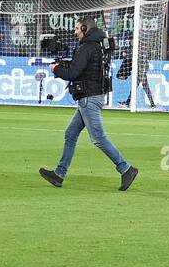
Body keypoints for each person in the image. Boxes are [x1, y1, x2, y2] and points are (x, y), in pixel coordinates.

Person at [39, 18, 138, 191]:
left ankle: (126, 169)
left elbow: (74, 72)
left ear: (85, 28)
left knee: (98, 138)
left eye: (77, 28)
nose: (75, 31)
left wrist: (56, 69)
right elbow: (82, 67)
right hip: (93, 95)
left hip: (88, 98)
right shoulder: (98, 45)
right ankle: (59, 174)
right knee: (70, 134)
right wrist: (64, 65)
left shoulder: (86, 47)